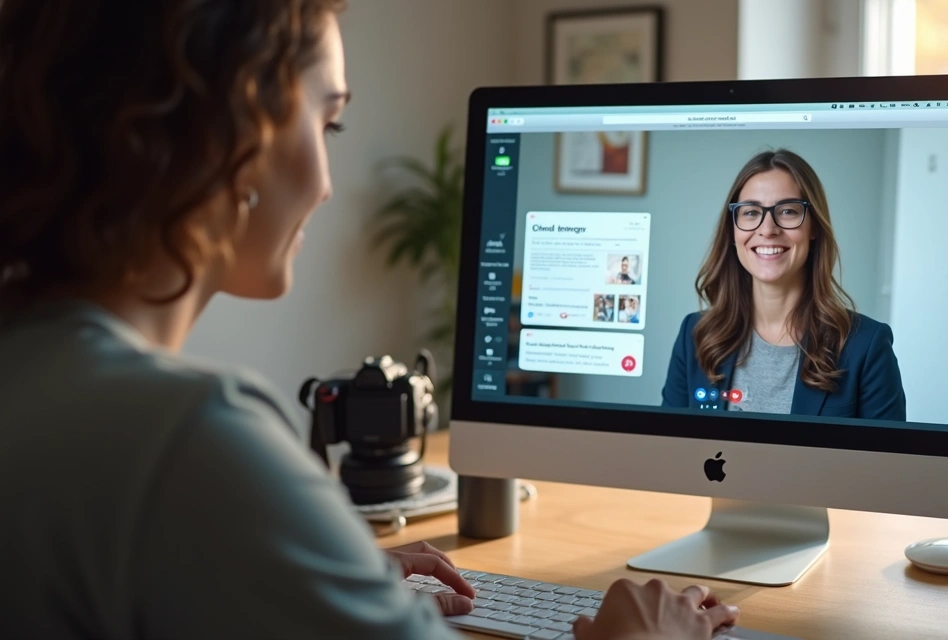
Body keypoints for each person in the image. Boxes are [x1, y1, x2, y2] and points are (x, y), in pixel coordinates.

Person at [0, 2, 739, 639]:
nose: (325, 184)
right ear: (230, 131)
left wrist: (291, 561)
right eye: (329, 122)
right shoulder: (189, 437)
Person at [661, 149, 906, 419]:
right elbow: (671, 451)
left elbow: (886, 461)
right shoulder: (695, 335)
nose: (767, 229)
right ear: (733, 230)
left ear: (813, 228)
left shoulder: (867, 346)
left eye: (788, 211)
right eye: (751, 212)